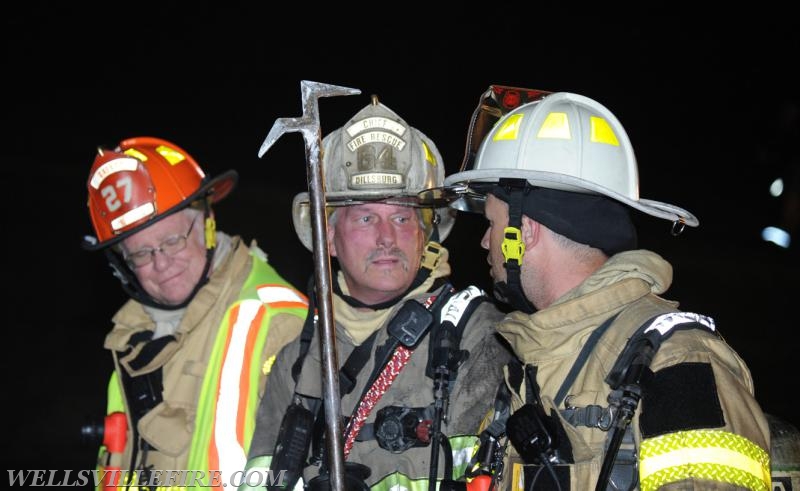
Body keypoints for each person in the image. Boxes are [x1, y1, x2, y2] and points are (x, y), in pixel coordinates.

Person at [444, 92, 772, 490]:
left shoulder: (675, 362)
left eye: (492, 224)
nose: (484, 243)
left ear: (523, 231)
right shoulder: (533, 366)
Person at [240, 97, 513, 491]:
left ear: (426, 233)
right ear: (328, 237)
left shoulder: (480, 339)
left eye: (402, 217)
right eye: (367, 217)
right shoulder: (300, 362)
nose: (387, 238)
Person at [82, 136, 308, 490]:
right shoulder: (130, 345)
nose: (161, 263)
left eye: (172, 240)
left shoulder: (277, 322)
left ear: (207, 222)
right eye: (141, 254)